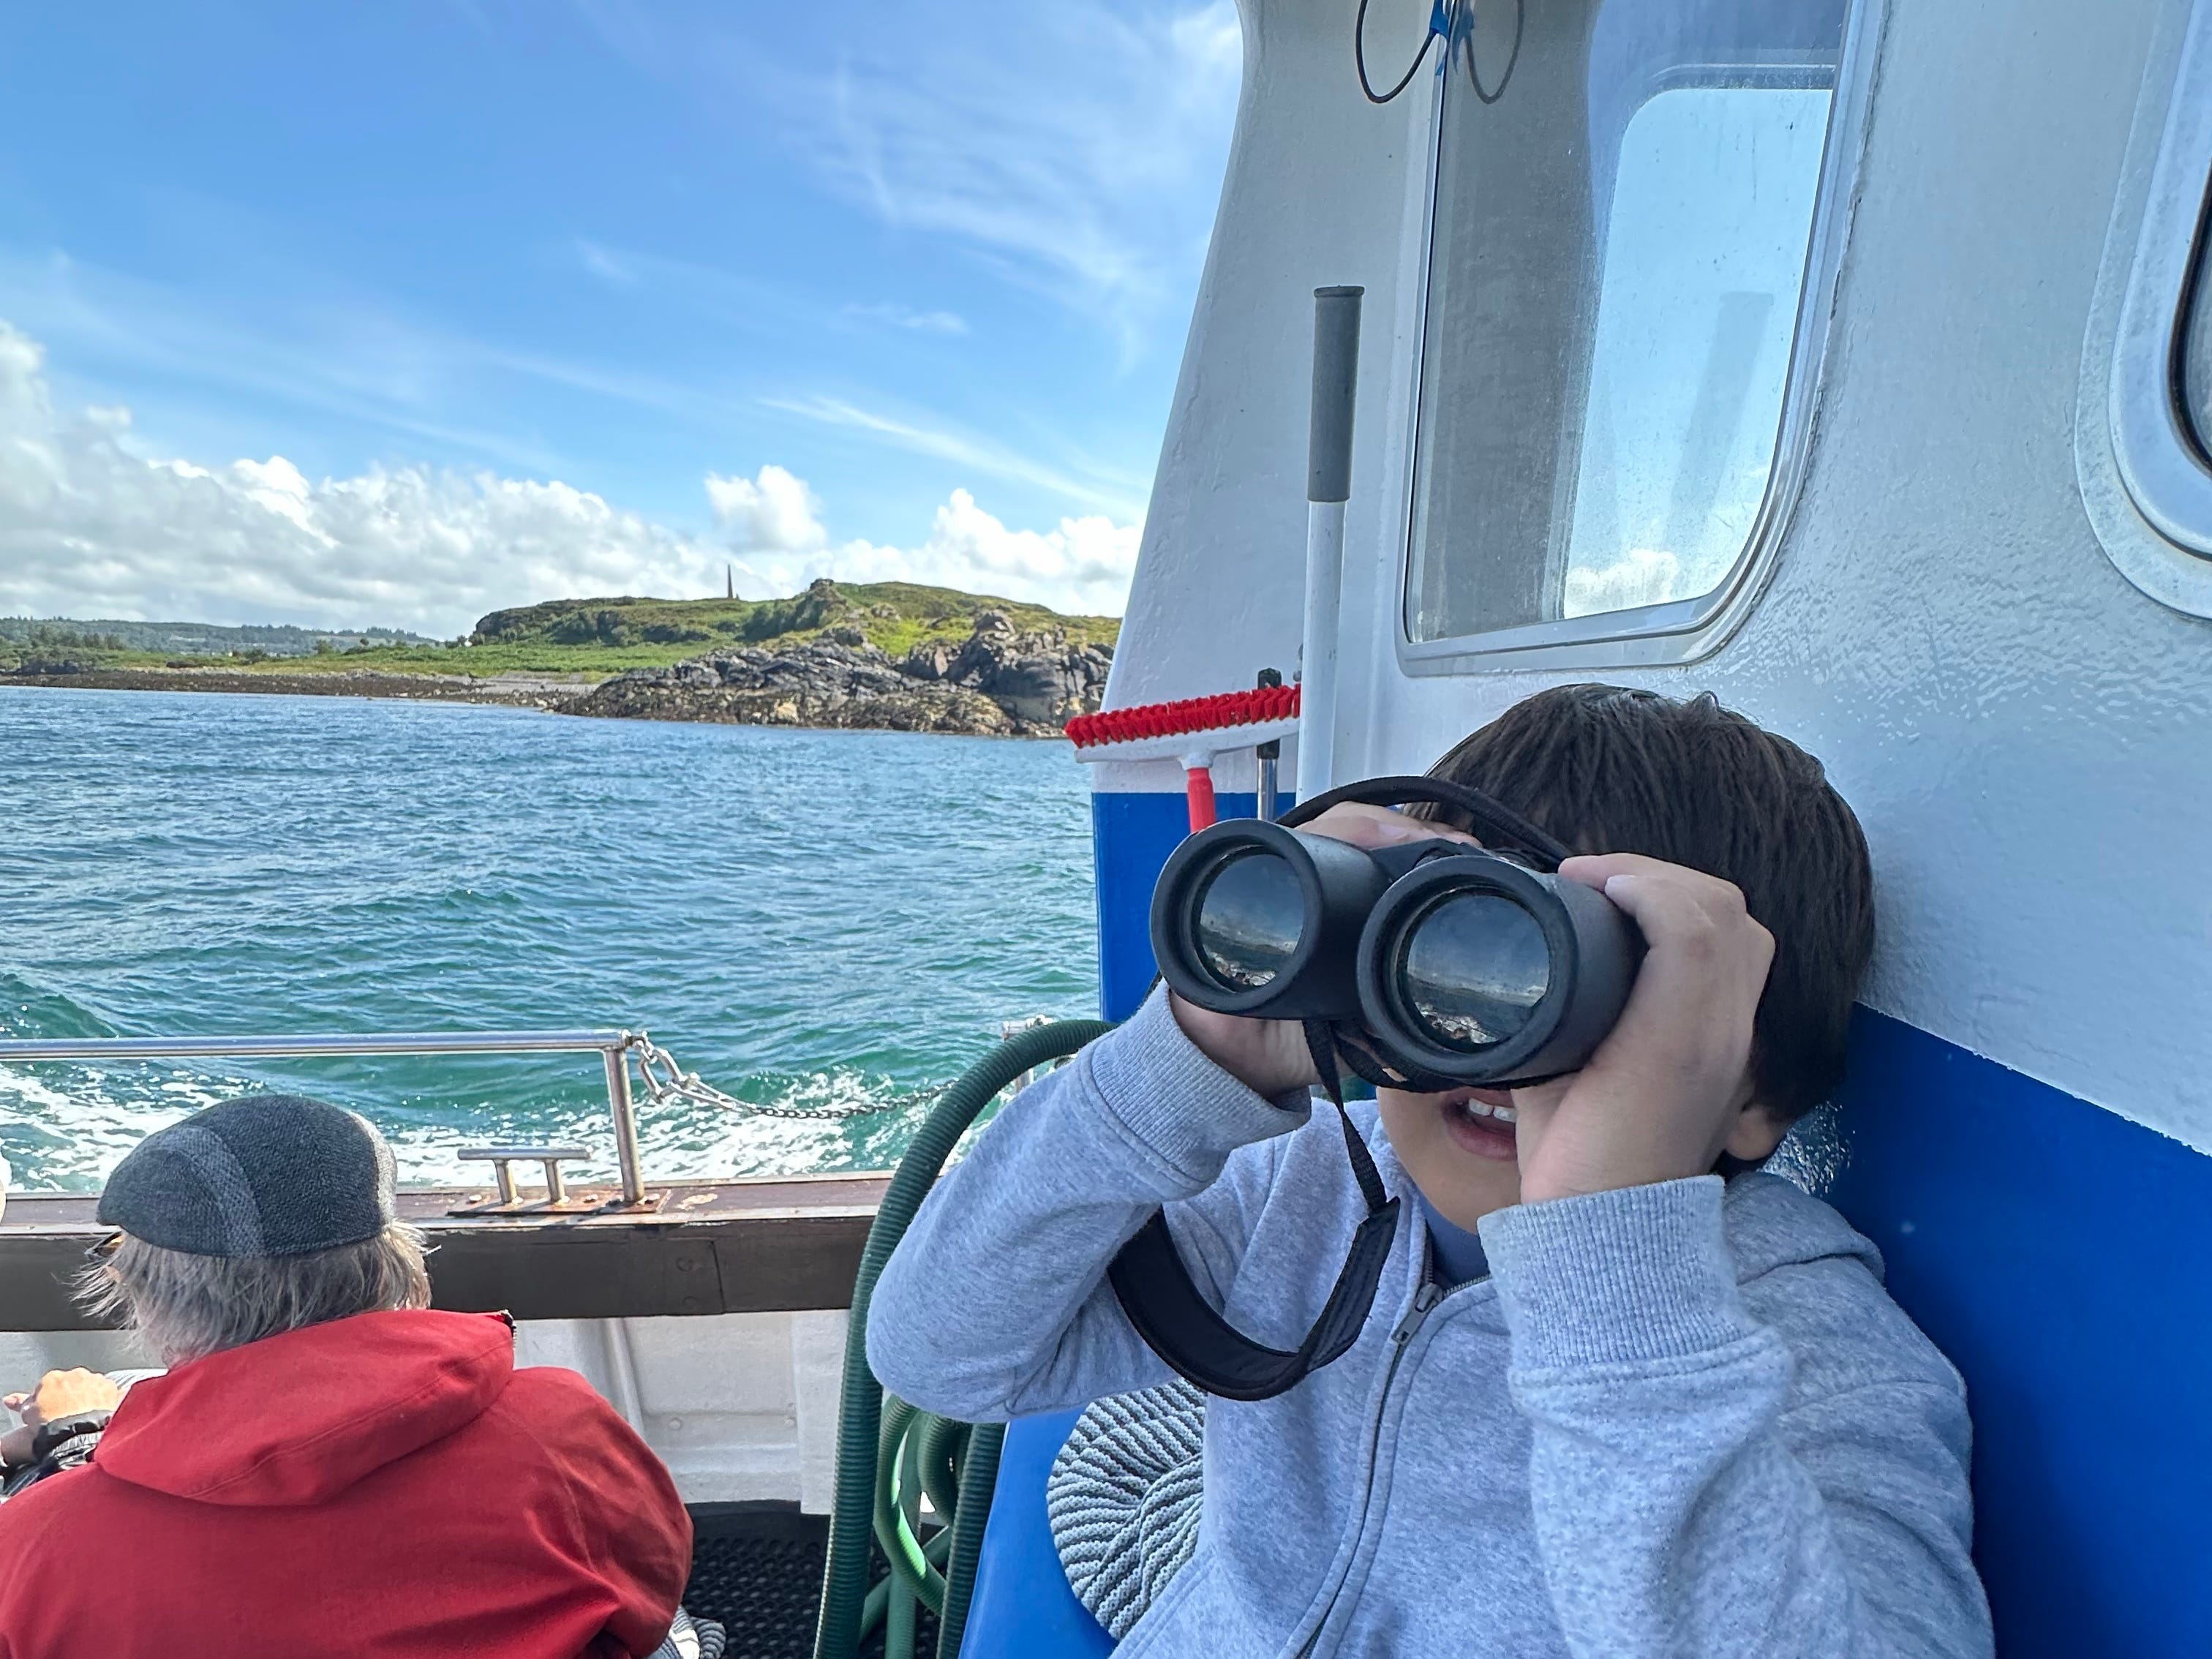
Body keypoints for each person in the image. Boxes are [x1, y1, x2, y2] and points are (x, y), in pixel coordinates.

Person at [869, 684, 1994, 1657]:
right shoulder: (1303, 1189)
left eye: (1586, 986)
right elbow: (938, 1353)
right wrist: (1182, 1064)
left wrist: (1616, 1261)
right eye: (1450, 948)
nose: (1490, 1040)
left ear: (1754, 1098)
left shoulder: (1816, 1355)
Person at [0, 1094, 693, 1659]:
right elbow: (651, 1595)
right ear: (396, 1260)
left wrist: (74, 1446)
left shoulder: (36, 1545)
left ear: (151, 1293)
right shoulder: (560, 1429)